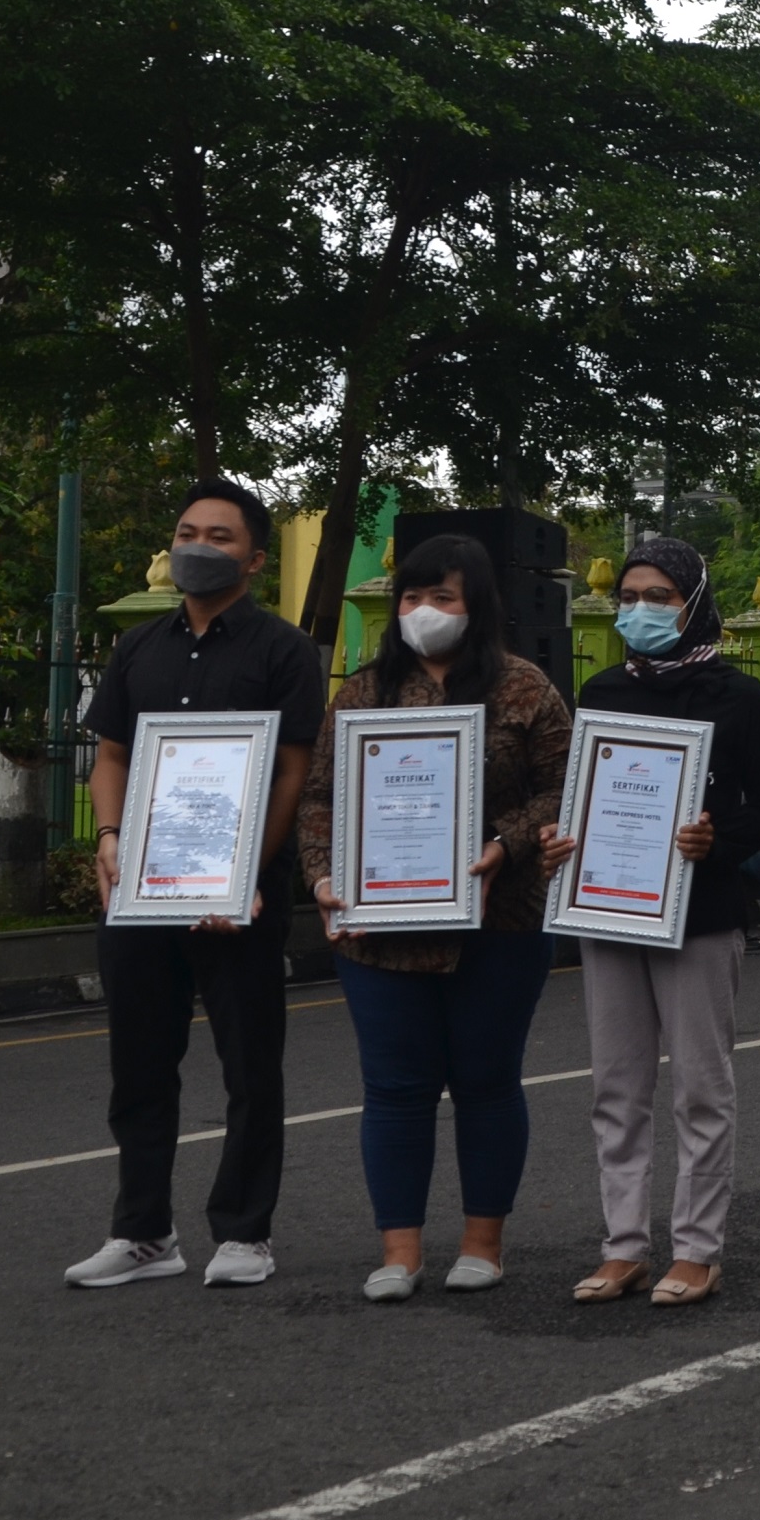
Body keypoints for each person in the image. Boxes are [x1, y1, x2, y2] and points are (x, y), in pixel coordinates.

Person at [64, 481, 330, 1291]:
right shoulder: (137, 648)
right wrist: (109, 839)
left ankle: (245, 1231)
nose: (198, 546)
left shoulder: (283, 651)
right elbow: (112, 756)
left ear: (252, 557)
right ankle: (143, 1231)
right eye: (186, 531)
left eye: (219, 535)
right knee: (140, 1064)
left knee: (250, 1064)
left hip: (237, 893)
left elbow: (290, 771)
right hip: (142, 888)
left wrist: (246, 872)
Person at [299, 533, 573, 1303]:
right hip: (382, 926)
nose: (424, 611)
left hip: (501, 921)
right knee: (394, 1086)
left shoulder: (526, 690)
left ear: (476, 605)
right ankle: (400, 1250)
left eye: (442, 597)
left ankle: (483, 1244)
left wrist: (503, 843)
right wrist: (323, 875)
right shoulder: (361, 695)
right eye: (412, 597)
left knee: (487, 1081)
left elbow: (563, 786)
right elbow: (320, 799)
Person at [538, 538, 760, 1307]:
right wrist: (564, 837)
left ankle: (698, 1248)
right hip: (610, 906)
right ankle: (623, 1246)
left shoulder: (738, 695)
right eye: (629, 594)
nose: (640, 609)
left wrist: (718, 838)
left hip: (702, 912)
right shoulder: (602, 690)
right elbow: (582, 794)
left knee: (701, 1088)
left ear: (692, 601)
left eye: (658, 595)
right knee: (616, 1086)